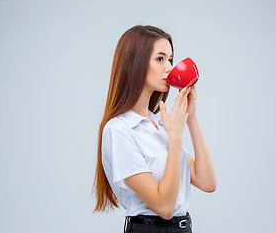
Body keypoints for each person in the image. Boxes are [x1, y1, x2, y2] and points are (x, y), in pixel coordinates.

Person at [92, 25, 217, 233]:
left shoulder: (157, 124)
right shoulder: (119, 130)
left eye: (170, 59)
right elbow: (165, 207)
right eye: (160, 59)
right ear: (135, 63)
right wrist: (175, 137)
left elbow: (207, 182)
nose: (169, 68)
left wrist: (191, 118)